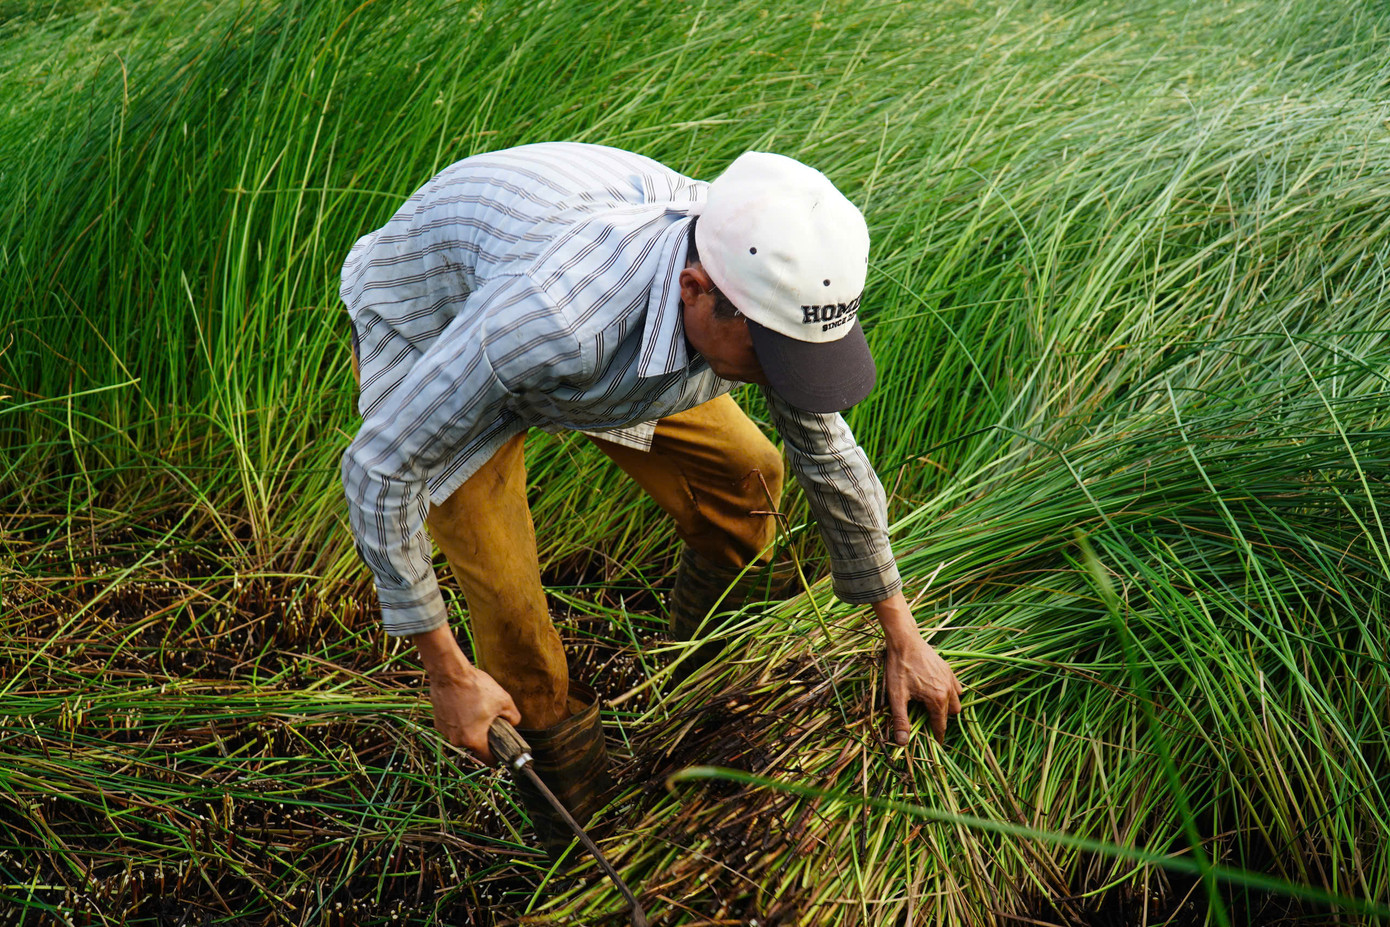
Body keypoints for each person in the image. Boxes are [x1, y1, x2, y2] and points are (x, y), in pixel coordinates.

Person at [339, 142, 963, 855]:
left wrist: (903, 634)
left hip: (584, 317)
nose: (779, 374)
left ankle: (694, 685)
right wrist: (446, 674)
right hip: (441, 326)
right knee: (519, 636)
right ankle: (590, 850)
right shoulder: (561, 317)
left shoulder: (761, 267)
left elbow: (829, 455)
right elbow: (378, 469)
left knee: (748, 478)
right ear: (695, 289)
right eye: (768, 355)